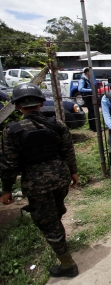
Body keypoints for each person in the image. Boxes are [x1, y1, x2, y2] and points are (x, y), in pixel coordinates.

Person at [1, 84, 79, 277]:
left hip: (37, 183)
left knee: (47, 221)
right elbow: (68, 151)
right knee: (56, 211)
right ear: (42, 102)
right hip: (60, 177)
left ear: (18, 106)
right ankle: (60, 242)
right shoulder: (57, 124)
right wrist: (73, 172)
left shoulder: (12, 131)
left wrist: (6, 189)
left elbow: (9, 164)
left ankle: (68, 265)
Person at [78, 67, 96, 132]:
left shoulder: (88, 80)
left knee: (90, 111)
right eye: (91, 72)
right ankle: (94, 128)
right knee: (92, 111)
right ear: (87, 72)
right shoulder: (83, 80)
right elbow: (80, 89)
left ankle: (92, 127)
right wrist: (91, 90)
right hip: (86, 97)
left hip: (89, 96)